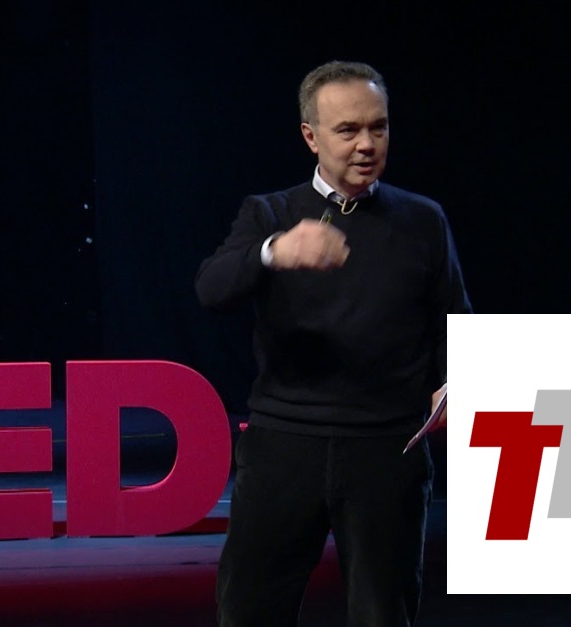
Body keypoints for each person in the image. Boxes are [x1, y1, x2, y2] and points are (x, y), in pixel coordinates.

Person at [195, 60, 472, 626]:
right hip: (284, 447)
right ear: (311, 136)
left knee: (383, 614)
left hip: (387, 451)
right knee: (249, 611)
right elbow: (211, 289)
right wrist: (274, 251)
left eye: (379, 127)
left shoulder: (423, 220)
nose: (367, 144)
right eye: (348, 130)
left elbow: (455, 322)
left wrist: (456, 382)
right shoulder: (270, 214)